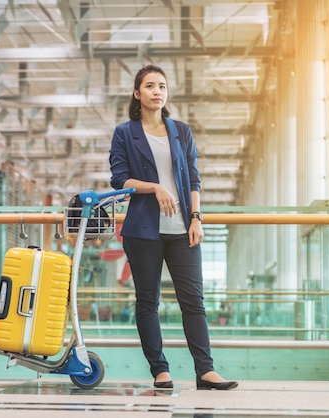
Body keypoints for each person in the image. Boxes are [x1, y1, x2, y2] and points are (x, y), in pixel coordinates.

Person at [109, 64, 237, 390]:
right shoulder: (125, 133)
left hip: (183, 229)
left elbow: (193, 179)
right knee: (147, 301)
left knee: (194, 301)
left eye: (162, 86)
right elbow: (119, 180)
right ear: (137, 93)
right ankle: (160, 370)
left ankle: (205, 371)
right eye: (150, 86)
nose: (157, 91)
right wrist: (155, 187)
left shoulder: (181, 130)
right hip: (143, 230)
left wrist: (196, 218)